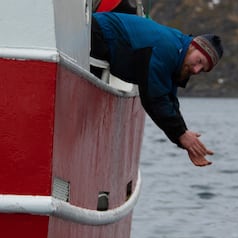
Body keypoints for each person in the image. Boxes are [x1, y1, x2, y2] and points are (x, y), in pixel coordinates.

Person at [90, 12, 223, 167]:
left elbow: (169, 99)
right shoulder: (167, 48)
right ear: (193, 46)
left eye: (202, 69)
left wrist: (184, 136)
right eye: (199, 61)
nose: (196, 69)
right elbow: (154, 97)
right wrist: (181, 135)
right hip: (97, 32)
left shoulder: (178, 55)